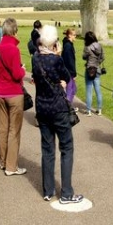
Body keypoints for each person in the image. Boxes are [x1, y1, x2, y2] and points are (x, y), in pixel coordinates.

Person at [32, 25, 83, 204]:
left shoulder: (35, 58)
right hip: (58, 108)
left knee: (47, 149)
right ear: (54, 42)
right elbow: (66, 77)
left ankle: (48, 190)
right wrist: (58, 55)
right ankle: (67, 193)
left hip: (42, 108)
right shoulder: (56, 60)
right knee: (66, 148)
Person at [0, 18, 27, 176]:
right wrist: (23, 70)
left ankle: (3, 161)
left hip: (0, 92)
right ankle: (11, 166)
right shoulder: (14, 49)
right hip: (14, 93)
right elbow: (16, 74)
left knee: (2, 129)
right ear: (14, 30)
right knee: (14, 131)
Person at [82, 31, 104, 116]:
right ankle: (99, 110)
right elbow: (103, 57)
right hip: (97, 69)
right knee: (98, 90)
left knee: (89, 91)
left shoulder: (87, 47)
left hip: (89, 69)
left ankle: (88, 110)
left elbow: (83, 57)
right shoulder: (100, 46)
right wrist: (97, 62)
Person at [61, 28, 78, 104]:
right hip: (69, 72)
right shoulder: (68, 46)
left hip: (69, 70)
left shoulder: (69, 44)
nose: (75, 37)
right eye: (74, 35)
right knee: (70, 90)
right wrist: (73, 74)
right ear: (70, 35)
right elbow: (69, 61)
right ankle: (68, 107)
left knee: (73, 89)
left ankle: (68, 105)